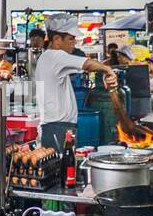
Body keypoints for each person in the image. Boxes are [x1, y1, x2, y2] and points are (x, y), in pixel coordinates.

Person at [35, 14, 117, 151]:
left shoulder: (48, 58)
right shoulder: (55, 55)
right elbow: (88, 64)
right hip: (57, 127)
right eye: (71, 39)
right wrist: (108, 69)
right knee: (61, 169)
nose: (74, 43)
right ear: (56, 40)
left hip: (58, 126)